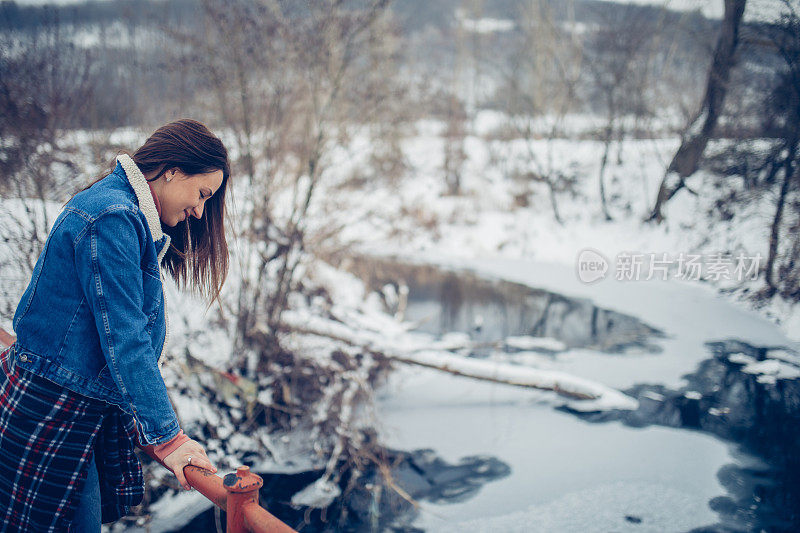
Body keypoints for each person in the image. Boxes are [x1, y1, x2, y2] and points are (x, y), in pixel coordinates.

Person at [0, 118, 230, 532]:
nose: (199, 211)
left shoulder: (120, 209)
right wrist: (169, 439)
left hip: (70, 400)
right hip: (55, 405)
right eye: (201, 194)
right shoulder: (112, 217)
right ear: (172, 170)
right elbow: (126, 340)